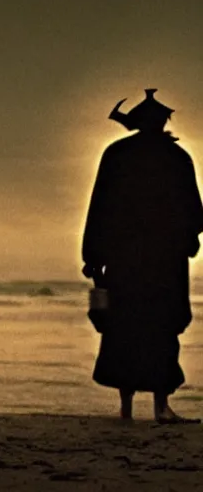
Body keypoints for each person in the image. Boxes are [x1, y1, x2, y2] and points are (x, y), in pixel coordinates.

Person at [82, 89, 203, 424]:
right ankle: (161, 407)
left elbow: (99, 208)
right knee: (162, 330)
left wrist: (92, 254)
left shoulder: (117, 155)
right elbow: (194, 211)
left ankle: (126, 408)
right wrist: (188, 240)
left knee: (123, 330)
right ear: (162, 121)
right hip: (165, 261)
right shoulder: (178, 158)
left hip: (124, 260)